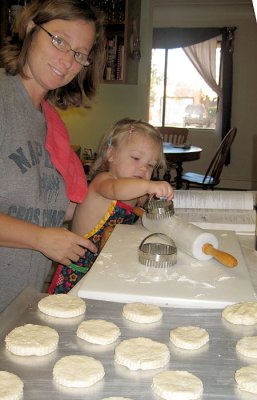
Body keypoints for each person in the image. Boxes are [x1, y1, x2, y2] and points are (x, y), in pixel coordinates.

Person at [0, 0, 106, 312]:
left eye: (79, 54)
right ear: (32, 28)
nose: (67, 60)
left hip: (20, 301)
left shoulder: (50, 119)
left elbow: (65, 208)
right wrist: (40, 238)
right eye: (59, 40)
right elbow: (43, 232)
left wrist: (117, 189)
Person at [49, 118, 174, 294]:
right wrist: (149, 185)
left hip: (105, 270)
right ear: (111, 154)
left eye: (150, 165)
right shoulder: (104, 182)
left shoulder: (136, 193)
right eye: (136, 158)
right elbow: (118, 190)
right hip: (78, 274)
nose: (143, 169)